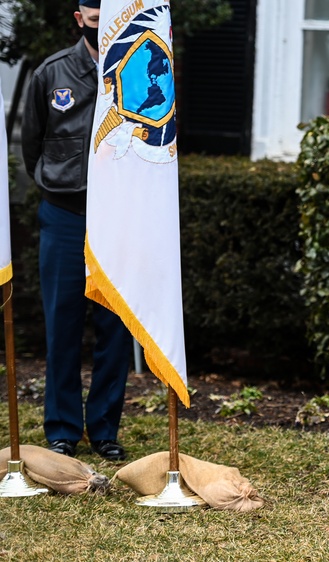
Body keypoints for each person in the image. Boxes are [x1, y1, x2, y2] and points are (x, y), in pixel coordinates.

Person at [21, 0, 131, 461]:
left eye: (109, 16)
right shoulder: (51, 73)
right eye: (92, 16)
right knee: (62, 323)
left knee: (116, 327)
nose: (100, 24)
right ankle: (63, 429)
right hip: (65, 215)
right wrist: (60, 190)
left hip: (122, 217)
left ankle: (104, 430)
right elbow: (32, 145)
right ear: (78, 18)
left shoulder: (136, 67)